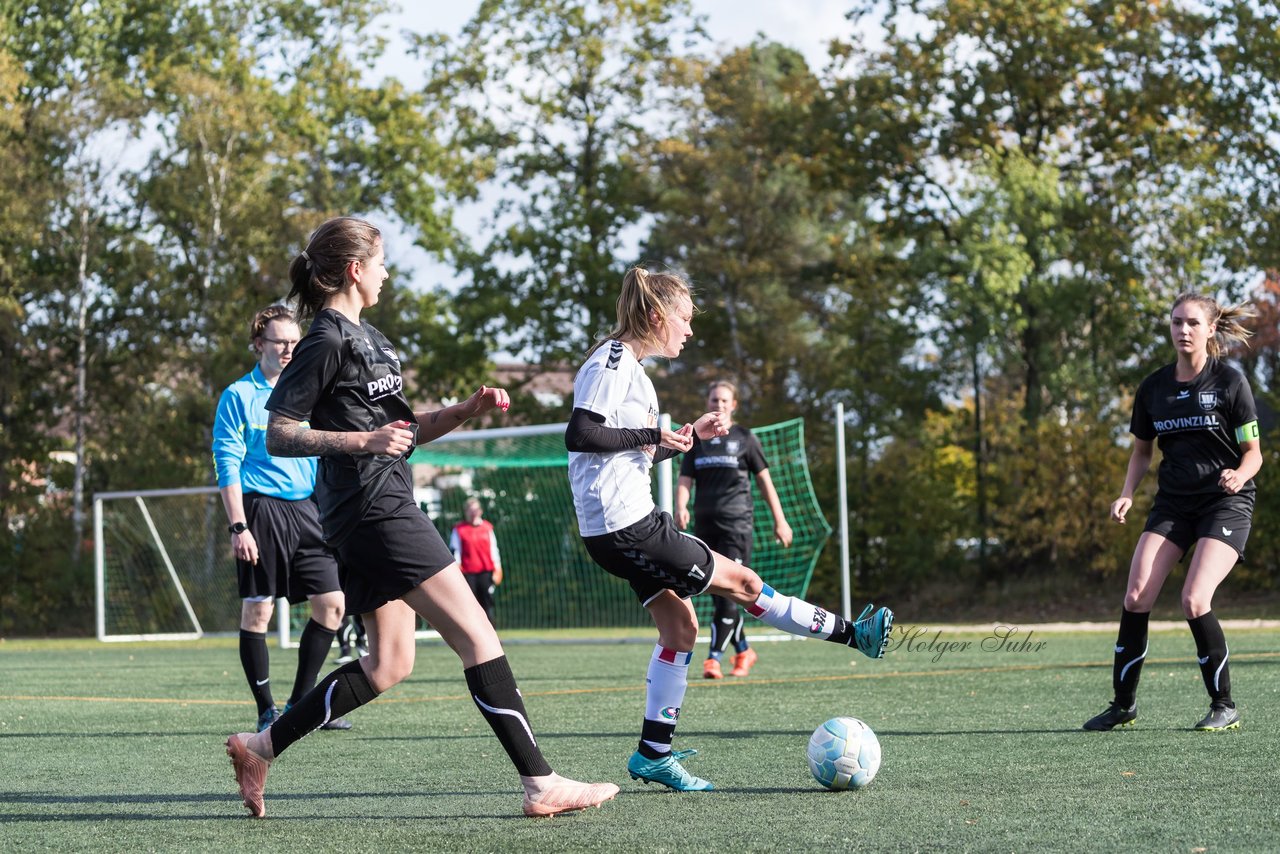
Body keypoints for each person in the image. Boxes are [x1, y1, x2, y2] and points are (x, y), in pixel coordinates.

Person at [223, 216, 618, 819]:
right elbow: (280, 434)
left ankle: (260, 747)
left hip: (380, 506)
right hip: (375, 511)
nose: (387, 271)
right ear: (355, 269)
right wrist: (363, 444)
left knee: (390, 663)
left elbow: (403, 433)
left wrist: (466, 408)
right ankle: (540, 783)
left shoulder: (375, 339)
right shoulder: (325, 339)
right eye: (381, 261)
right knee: (478, 637)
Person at [565, 265, 894, 792]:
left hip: (624, 524)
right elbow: (581, 434)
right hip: (625, 525)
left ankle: (653, 754)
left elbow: (625, 444)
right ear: (656, 316)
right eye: (685, 319)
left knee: (681, 629)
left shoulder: (633, 368)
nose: (690, 330)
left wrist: (684, 434)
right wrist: (655, 433)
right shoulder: (614, 359)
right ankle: (856, 636)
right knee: (743, 584)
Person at [1083, 293, 1260, 733]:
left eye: (1193, 323)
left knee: (1194, 599)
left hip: (1226, 502)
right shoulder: (1153, 388)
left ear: (1210, 329)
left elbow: (1254, 454)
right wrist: (1127, 493)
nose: (1183, 330)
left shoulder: (1230, 383)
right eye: (1177, 322)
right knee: (1136, 594)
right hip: (1174, 504)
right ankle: (1123, 706)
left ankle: (1224, 705)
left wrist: (1238, 474)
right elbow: (1142, 452)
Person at [213, 303, 352, 734]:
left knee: (332, 605)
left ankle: (301, 705)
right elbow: (227, 462)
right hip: (262, 511)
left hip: (309, 511)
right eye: (281, 341)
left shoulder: (309, 392)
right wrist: (239, 526)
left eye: (296, 341)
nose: (290, 349)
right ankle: (266, 709)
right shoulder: (238, 396)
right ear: (259, 345)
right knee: (258, 613)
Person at [676, 380, 792, 680]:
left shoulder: (745, 438)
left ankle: (713, 659)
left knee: (731, 594)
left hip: (736, 527)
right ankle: (743, 650)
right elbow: (685, 478)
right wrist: (681, 506)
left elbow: (765, 481)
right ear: (708, 401)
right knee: (719, 593)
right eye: (714, 399)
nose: (719, 404)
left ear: (734, 404)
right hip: (704, 528)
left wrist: (780, 520)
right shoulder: (698, 439)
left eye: (725, 400)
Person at [450, 497, 504, 625]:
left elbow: (494, 550)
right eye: (470, 510)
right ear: (466, 512)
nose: (473, 513)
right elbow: (455, 552)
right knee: (469, 606)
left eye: (475, 510)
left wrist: (498, 569)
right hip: (468, 574)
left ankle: (492, 637)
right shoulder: (459, 530)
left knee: (487, 604)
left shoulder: (487, 528)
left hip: (486, 573)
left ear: (480, 511)